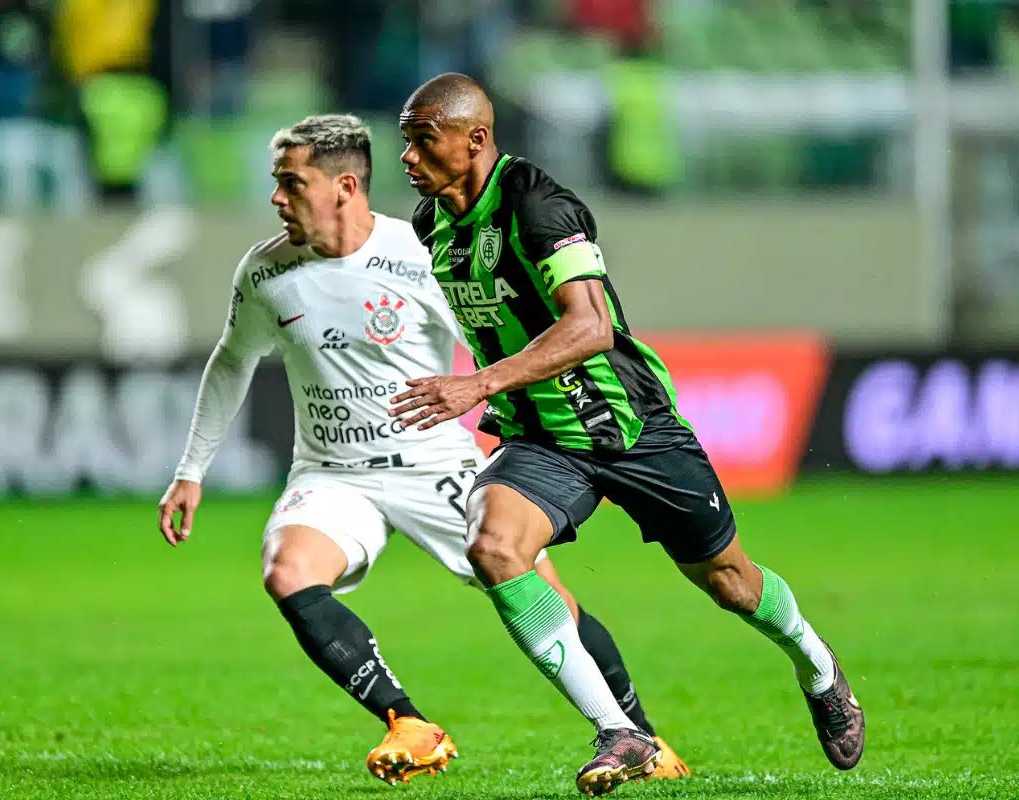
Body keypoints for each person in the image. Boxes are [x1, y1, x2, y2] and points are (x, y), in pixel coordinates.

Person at [157, 114, 690, 788]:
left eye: (291, 184)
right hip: (332, 472)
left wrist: (531, 418)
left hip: (435, 464)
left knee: (543, 597)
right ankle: (407, 721)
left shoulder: (419, 253)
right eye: (277, 184)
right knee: (287, 570)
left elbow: (503, 335)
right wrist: (190, 471)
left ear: (344, 185)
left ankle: (638, 732)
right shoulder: (266, 272)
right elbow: (230, 362)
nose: (276, 199)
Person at [392, 74, 864, 796]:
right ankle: (621, 731)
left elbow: (591, 326)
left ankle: (817, 664)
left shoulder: (537, 204)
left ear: (475, 139)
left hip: (633, 430)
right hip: (543, 440)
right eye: (406, 142)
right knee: (493, 545)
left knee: (731, 584)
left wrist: (478, 383)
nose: (409, 158)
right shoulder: (433, 224)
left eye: (424, 139)